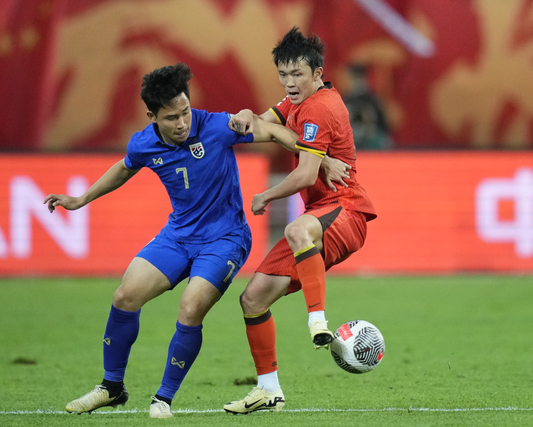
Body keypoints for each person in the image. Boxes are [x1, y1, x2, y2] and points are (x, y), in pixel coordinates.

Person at [43, 62, 349, 419]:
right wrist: (81, 199)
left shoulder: (218, 126)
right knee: (125, 296)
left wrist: (320, 161)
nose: (182, 123)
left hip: (226, 239)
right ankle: (111, 387)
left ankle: (163, 399)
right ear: (152, 117)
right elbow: (125, 167)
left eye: (186, 112)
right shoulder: (143, 143)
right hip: (177, 236)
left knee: (190, 307)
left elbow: (272, 131)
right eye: (171, 117)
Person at [223, 27, 377, 414]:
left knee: (296, 228)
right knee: (253, 299)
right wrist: (248, 116)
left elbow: (306, 175)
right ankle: (268, 390)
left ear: (317, 73)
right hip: (319, 215)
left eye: (297, 74)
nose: (290, 83)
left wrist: (266, 195)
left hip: (346, 209)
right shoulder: (297, 101)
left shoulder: (320, 107)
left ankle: (317, 321)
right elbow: (263, 125)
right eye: (283, 74)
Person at [343, 63, 391, 150]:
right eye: (355, 79)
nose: (358, 83)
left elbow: (383, 125)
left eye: (360, 79)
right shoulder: (346, 100)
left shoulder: (372, 100)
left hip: (370, 140)